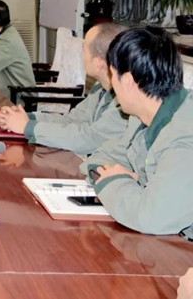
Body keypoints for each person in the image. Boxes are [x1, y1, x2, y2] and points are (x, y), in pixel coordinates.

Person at [81, 27, 193, 236]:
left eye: (113, 75)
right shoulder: (143, 116)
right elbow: (99, 159)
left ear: (128, 82)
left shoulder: (185, 135)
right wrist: (127, 183)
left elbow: (152, 217)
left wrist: (115, 180)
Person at [0, 23, 128, 154]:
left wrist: (27, 127)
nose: (81, 55)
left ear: (98, 63)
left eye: (84, 50)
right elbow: (72, 120)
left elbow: (89, 139)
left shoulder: (125, 101)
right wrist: (26, 118)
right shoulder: (100, 88)